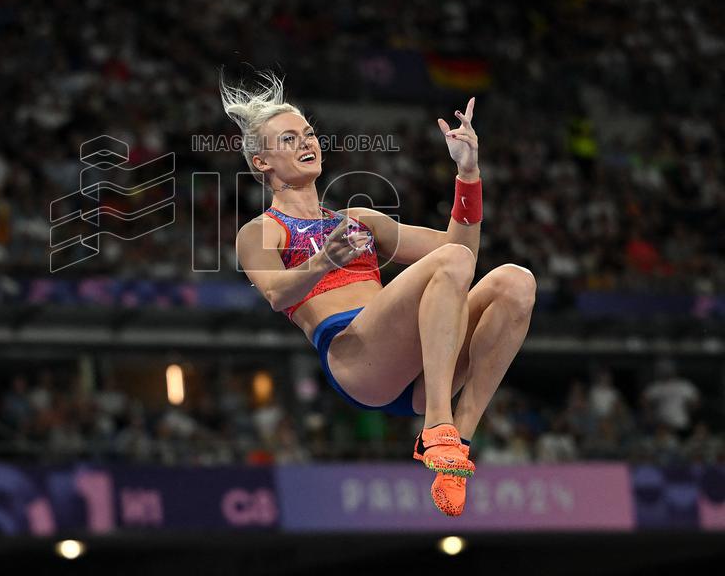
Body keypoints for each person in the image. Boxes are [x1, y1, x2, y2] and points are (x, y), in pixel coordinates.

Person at [224, 72, 535, 516]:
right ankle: (438, 427)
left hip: (415, 363)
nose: (306, 143)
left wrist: (468, 173)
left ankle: (456, 445)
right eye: (288, 140)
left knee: (516, 281)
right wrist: (323, 262)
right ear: (261, 163)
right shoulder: (259, 232)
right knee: (452, 263)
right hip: (355, 358)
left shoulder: (359, 220)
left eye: (308, 134)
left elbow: (463, 249)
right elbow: (275, 293)